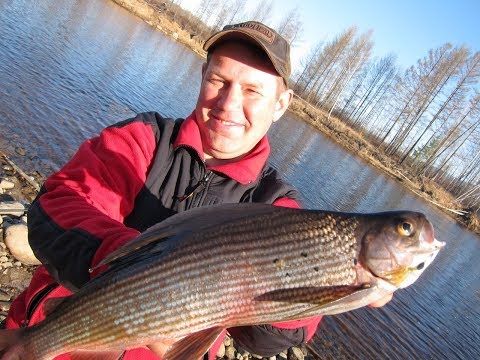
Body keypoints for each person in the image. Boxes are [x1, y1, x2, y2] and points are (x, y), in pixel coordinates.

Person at [5, 21, 392, 359]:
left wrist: (334, 284)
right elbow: (59, 205)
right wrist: (146, 280)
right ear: (202, 75)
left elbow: (269, 338)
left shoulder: (277, 206)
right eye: (219, 81)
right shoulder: (143, 139)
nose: (228, 104)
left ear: (281, 104)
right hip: (44, 335)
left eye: (253, 91)